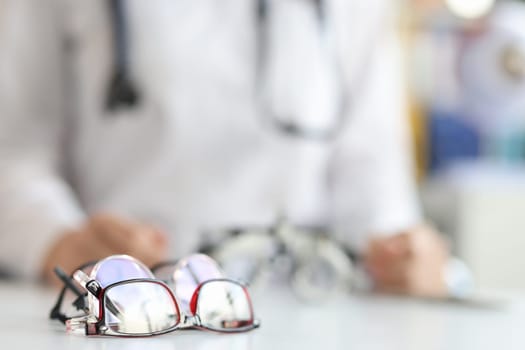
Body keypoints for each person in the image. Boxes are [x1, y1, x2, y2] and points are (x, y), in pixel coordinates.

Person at [0, 0, 451, 297]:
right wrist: (58, 242)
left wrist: (404, 256)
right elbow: (13, 153)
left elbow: (371, 177)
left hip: (309, 304)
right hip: (129, 304)